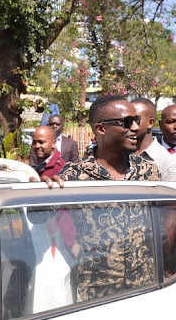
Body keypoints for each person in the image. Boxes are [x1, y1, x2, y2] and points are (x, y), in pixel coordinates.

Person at [44, 95, 159, 300]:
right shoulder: (74, 176)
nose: (134, 128)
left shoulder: (148, 173)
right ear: (101, 129)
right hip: (95, 294)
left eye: (136, 121)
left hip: (144, 288)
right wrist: (43, 188)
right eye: (126, 122)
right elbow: (38, 218)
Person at [132, 98, 176, 181]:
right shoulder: (119, 154)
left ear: (150, 123)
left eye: (135, 120)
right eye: (127, 120)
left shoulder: (167, 163)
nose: (130, 125)